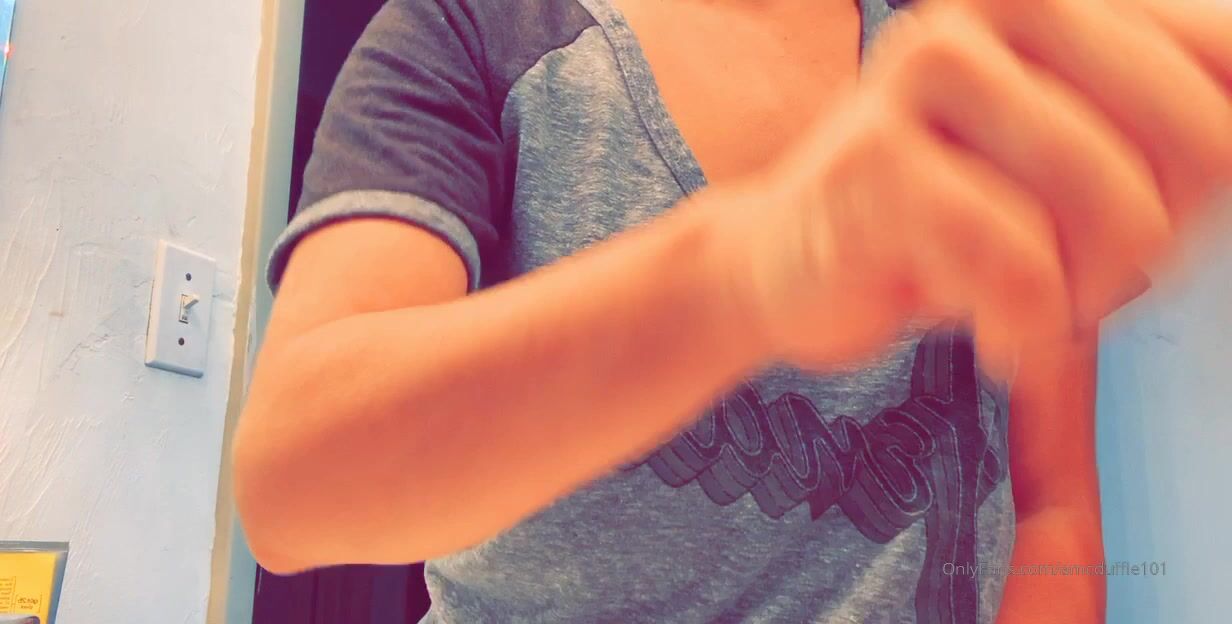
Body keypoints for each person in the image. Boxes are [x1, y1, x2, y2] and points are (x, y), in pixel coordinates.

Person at [232, 0, 1232, 622]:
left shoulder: (976, 69)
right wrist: (752, 268)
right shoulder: (470, 30)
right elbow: (294, 484)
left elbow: (1051, 503)